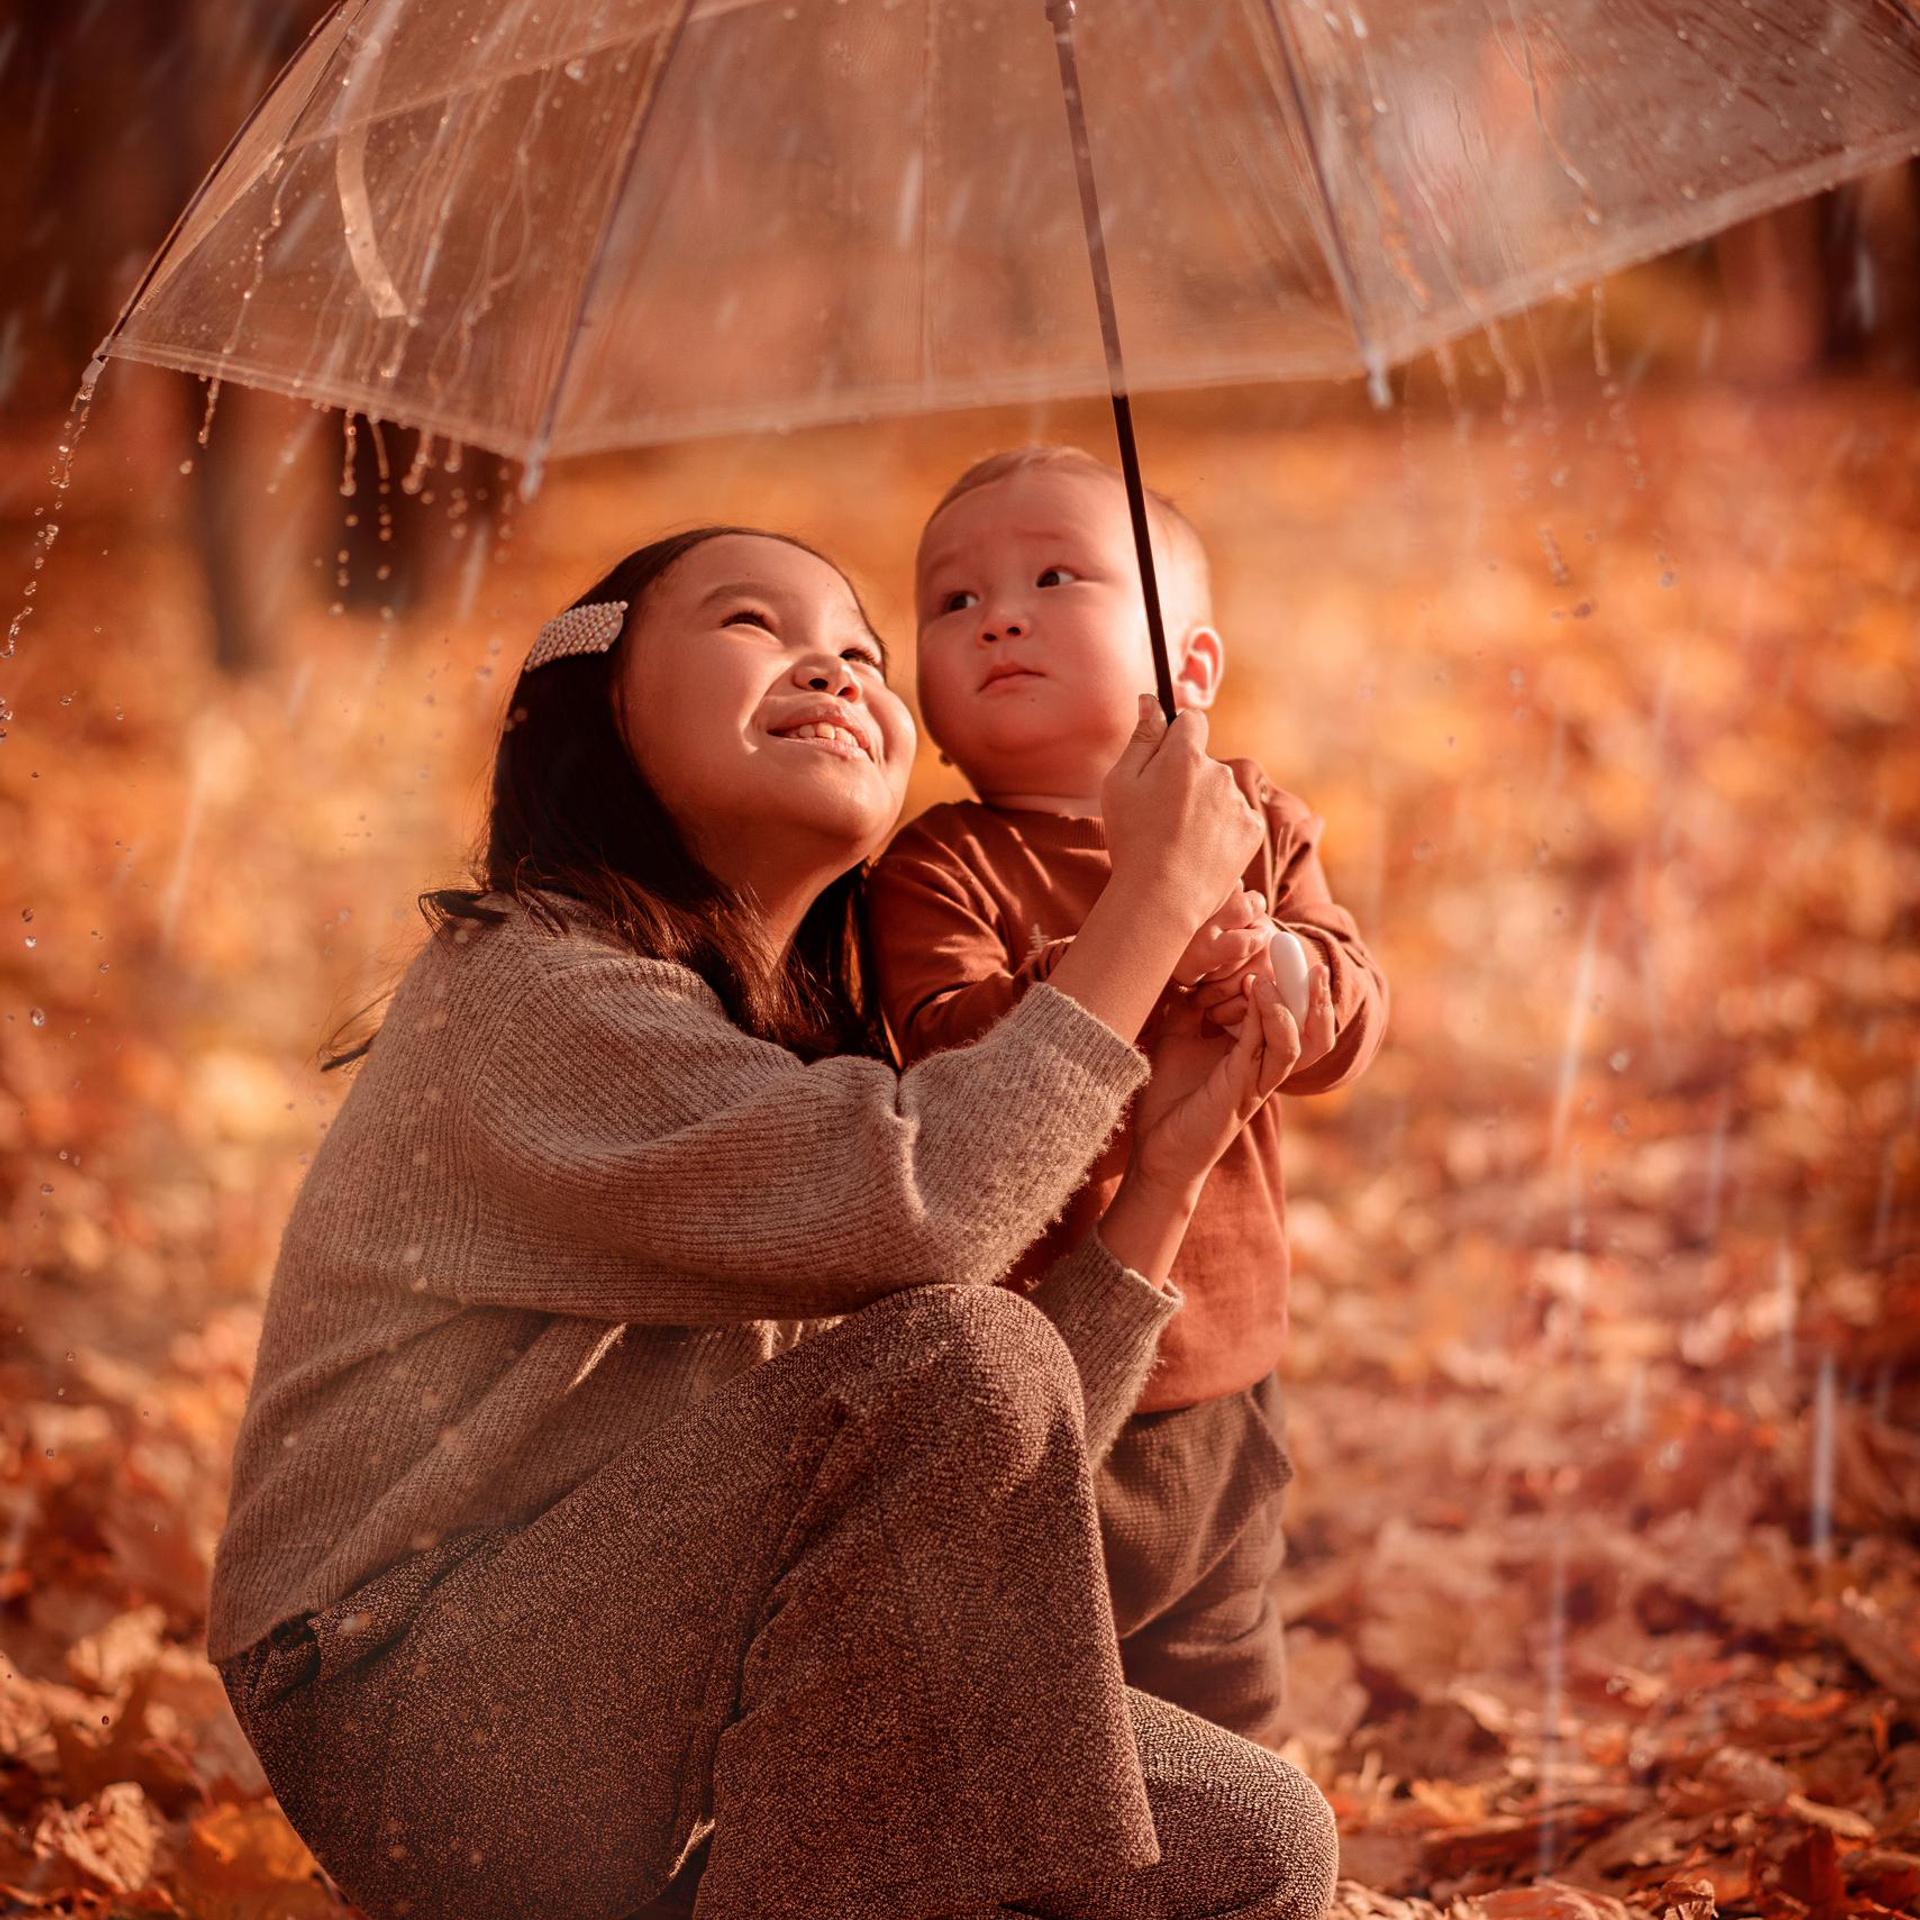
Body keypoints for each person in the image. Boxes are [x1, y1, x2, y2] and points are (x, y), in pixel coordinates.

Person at [209, 523, 1341, 1920]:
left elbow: (991, 1477)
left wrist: (1162, 1179)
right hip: (415, 1701)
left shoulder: (799, 1054)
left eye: (864, 653)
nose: (835, 665)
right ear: (596, 699)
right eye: (755, 622)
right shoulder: (528, 991)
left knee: (1252, 1837)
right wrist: (1157, 893)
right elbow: (933, 1239)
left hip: (684, 1679)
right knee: (960, 1356)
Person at [867, 448, 1389, 1746]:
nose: (999, 613)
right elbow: (955, 1058)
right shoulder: (941, 869)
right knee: (1060, 1729)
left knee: (1230, 1691)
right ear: (929, 701)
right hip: (1049, 1391)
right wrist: (1136, 943)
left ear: (1189, 669)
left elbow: (1349, 1016)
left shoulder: (1249, 817)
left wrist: (1264, 959)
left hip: (1227, 1377)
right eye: (953, 601)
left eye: (1057, 576)